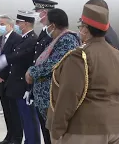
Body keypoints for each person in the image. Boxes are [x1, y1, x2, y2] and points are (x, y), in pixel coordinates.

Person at [46, 1, 119, 144]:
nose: (80, 30)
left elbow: (69, 95)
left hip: (86, 129)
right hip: (116, 126)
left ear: (86, 29)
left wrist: (57, 128)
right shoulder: (116, 54)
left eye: (81, 26)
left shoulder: (79, 56)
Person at [24, 8, 80, 142]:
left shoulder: (67, 40)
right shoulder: (58, 39)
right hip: (45, 102)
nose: (46, 27)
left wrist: (32, 72)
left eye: (47, 24)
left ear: (53, 25)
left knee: (53, 139)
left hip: (52, 102)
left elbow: (53, 63)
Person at [0, 10, 41, 144]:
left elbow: (18, 57)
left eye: (19, 22)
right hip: (16, 84)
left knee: (27, 119)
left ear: (25, 24)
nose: (17, 24)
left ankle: (30, 141)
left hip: (23, 85)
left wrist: (3, 61)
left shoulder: (30, 39)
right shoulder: (25, 39)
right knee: (20, 117)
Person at [28, 0, 58, 144]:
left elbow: (50, 63)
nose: (37, 16)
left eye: (38, 12)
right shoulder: (44, 32)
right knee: (45, 132)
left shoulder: (53, 35)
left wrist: (32, 73)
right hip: (39, 90)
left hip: (48, 92)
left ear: (45, 13)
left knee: (50, 134)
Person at [0, 15, 23, 144]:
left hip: (10, 79)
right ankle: (9, 136)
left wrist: (2, 75)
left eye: (3, 24)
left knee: (14, 111)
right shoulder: (0, 39)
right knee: (6, 110)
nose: (0, 26)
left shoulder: (17, 39)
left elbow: (12, 60)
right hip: (1, 80)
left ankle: (17, 137)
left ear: (10, 26)